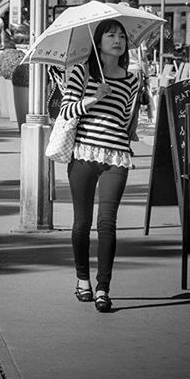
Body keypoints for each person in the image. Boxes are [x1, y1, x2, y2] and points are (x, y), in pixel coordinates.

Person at [59, 19, 139, 313]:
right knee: (82, 223)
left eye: (121, 36)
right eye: (111, 35)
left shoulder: (131, 80)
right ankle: (83, 280)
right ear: (99, 40)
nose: (117, 40)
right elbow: (66, 110)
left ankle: (103, 288)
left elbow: (126, 118)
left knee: (107, 224)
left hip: (116, 156)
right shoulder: (81, 72)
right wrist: (93, 98)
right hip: (83, 155)